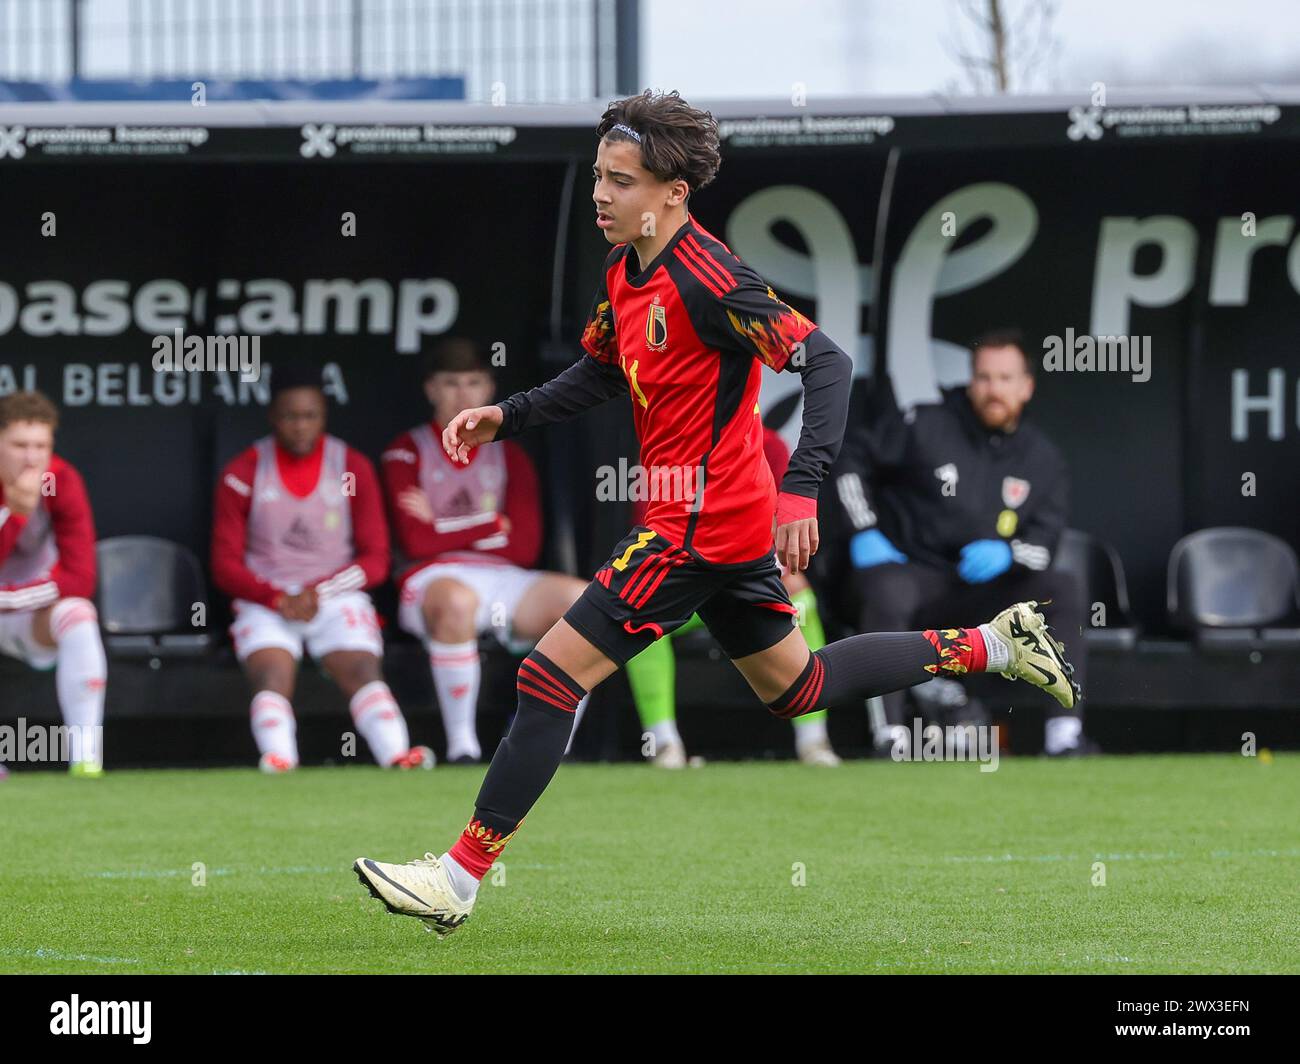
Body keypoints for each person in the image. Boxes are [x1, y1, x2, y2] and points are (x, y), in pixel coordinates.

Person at [354, 91, 1078, 936]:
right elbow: (598, 373)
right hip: (709, 527)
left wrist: (801, 485)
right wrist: (505, 415)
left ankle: (459, 879)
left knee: (546, 676)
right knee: (799, 687)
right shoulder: (626, 269)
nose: (601, 195)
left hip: (697, 524)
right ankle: (992, 643)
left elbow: (827, 362)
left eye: (620, 182)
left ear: (672, 193)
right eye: (598, 177)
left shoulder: (711, 277)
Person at [827, 329, 1093, 757]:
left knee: (1061, 587)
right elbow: (850, 462)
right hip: (913, 576)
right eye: (984, 378)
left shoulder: (1042, 459)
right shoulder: (926, 423)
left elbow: (1043, 546)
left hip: (982, 594)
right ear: (971, 381)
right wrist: (864, 531)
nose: (993, 390)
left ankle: (1065, 736)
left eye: (1005, 379)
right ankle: (889, 737)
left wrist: (1007, 553)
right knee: (885, 588)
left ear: (1026, 387)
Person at [211, 362, 431, 772]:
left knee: (363, 669)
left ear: (323, 416)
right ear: (273, 416)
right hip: (266, 598)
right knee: (271, 674)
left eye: (310, 416)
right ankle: (279, 758)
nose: (300, 426)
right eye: (291, 416)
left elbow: (376, 559)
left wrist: (318, 593)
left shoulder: (352, 467)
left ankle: (397, 754)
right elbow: (224, 565)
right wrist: (276, 597)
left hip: (333, 595)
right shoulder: (242, 472)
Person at [381, 338, 590, 764]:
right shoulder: (406, 450)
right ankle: (463, 749)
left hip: (502, 578)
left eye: (473, 382)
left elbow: (525, 546)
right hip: (431, 579)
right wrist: (490, 524)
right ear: (431, 390)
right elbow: (416, 543)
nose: (462, 394)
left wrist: (441, 525)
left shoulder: (510, 457)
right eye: (451, 383)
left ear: (489, 388)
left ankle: (542, 745)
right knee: (457, 602)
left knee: (589, 605)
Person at [625, 425, 841, 767]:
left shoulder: (768, 445)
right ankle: (663, 743)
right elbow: (654, 531)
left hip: (748, 580)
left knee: (803, 602)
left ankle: (813, 741)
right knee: (637, 615)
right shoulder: (666, 448)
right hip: (686, 587)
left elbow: (779, 523)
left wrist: (782, 573)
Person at [0, 391, 106, 776]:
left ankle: (85, 756)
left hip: (31, 613)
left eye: (41, 446)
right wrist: (11, 515)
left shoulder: (60, 480)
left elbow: (81, 577)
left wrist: (12, 600)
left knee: (78, 613)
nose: (31, 458)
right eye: (19, 445)